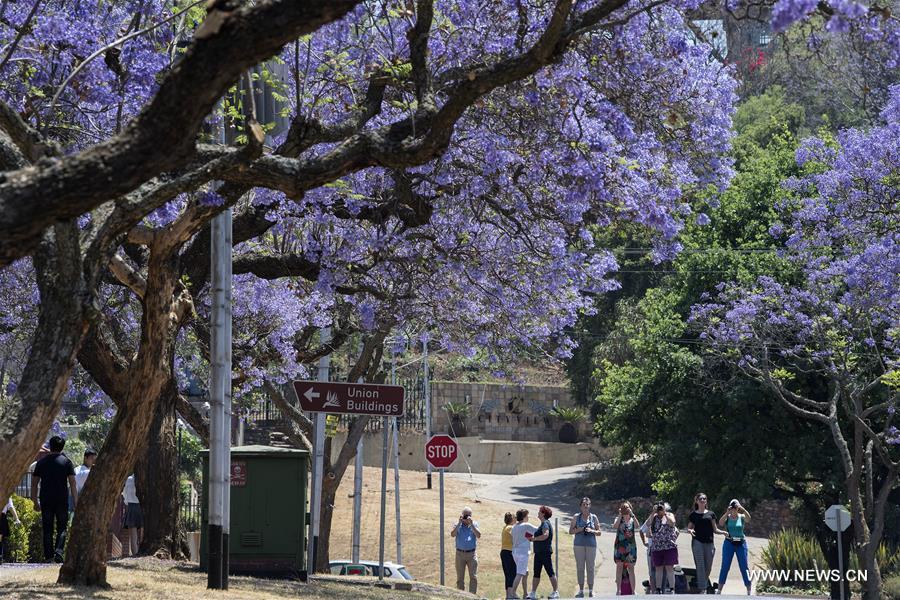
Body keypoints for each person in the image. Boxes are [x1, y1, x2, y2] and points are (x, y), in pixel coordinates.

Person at [31, 436, 77, 562]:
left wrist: (34, 500)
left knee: (47, 528)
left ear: (50, 446)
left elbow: (34, 483)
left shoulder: (41, 463)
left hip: (46, 499)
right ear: (62, 447)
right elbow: (73, 483)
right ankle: (59, 552)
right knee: (62, 527)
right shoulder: (67, 462)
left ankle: (49, 556)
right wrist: (76, 501)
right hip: (62, 499)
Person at [689, 492, 725, 593]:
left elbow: (715, 529)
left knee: (708, 566)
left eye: (704, 499)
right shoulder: (693, 515)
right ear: (696, 501)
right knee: (700, 565)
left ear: (706, 501)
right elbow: (689, 527)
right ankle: (703, 588)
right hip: (697, 542)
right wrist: (690, 530)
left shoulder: (711, 514)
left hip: (709, 542)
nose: (702, 500)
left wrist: (723, 532)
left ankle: (703, 584)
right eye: (700, 499)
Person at [717, 499, 752, 595]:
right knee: (725, 566)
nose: (734, 509)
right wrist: (726, 513)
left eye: (736, 508)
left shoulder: (741, 517)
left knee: (744, 566)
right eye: (732, 508)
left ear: (738, 508)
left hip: (741, 543)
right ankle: (719, 589)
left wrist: (743, 509)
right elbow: (720, 523)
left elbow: (749, 519)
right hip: (729, 542)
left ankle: (749, 589)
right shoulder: (727, 517)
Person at [643, 501, 678, 594]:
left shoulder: (669, 514)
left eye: (661, 507)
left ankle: (672, 589)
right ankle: (658, 589)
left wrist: (664, 513)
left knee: (669, 567)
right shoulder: (654, 517)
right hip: (657, 547)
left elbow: (672, 523)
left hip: (669, 546)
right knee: (658, 568)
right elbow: (648, 524)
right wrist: (653, 512)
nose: (659, 509)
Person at [569, 496, 601, 597]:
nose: (586, 506)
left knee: (591, 568)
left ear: (590, 506)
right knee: (580, 568)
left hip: (591, 545)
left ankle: (591, 590)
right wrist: (580, 529)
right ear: (580, 507)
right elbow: (570, 531)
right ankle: (581, 590)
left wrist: (591, 531)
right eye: (584, 505)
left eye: (587, 505)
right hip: (579, 545)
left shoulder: (593, 517)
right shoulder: (576, 517)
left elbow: (599, 532)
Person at [528, 505, 559, 600]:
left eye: (539, 511)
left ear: (543, 513)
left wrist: (534, 538)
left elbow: (546, 535)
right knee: (536, 573)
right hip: (539, 552)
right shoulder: (543, 524)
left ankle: (555, 592)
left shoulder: (545, 523)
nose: (538, 513)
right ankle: (533, 593)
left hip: (544, 552)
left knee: (550, 572)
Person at [450, 505, 480, 594]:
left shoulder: (474, 524)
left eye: (469, 515)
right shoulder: (457, 524)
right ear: (462, 515)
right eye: (465, 515)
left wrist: (472, 525)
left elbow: (478, 535)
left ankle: (472, 596)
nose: (467, 517)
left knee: (473, 577)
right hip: (460, 554)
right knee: (460, 578)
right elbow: (452, 534)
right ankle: (461, 596)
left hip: (472, 554)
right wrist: (459, 523)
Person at [612, 501, 638, 596]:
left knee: (631, 568)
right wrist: (620, 515)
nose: (625, 509)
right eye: (623, 507)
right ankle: (618, 590)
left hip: (630, 547)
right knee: (619, 567)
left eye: (627, 507)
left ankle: (633, 590)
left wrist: (632, 514)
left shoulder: (632, 519)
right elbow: (614, 526)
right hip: (620, 546)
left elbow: (637, 526)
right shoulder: (618, 518)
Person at [511, 509, 537, 599]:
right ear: (524, 517)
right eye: (527, 515)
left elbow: (525, 536)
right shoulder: (526, 525)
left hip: (515, 553)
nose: (528, 517)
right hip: (522, 553)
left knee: (525, 572)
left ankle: (525, 594)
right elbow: (538, 530)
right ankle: (513, 592)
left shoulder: (514, 526)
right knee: (520, 573)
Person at [122, 474, 144, 557]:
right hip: (142, 507)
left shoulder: (129, 479)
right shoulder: (145, 477)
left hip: (131, 507)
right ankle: (141, 555)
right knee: (142, 535)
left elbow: (124, 494)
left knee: (133, 537)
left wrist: (127, 503)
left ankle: (135, 555)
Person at [501, 512, 517, 599]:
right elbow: (519, 535)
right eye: (514, 517)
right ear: (511, 519)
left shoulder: (505, 527)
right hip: (509, 553)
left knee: (508, 575)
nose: (516, 519)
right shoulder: (510, 528)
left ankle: (508, 595)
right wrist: (531, 537)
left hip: (505, 552)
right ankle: (510, 595)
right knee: (512, 574)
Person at [1, 497, 22, 564]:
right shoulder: (7, 493)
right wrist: (16, 519)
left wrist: (16, 519)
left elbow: (10, 506)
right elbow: (10, 507)